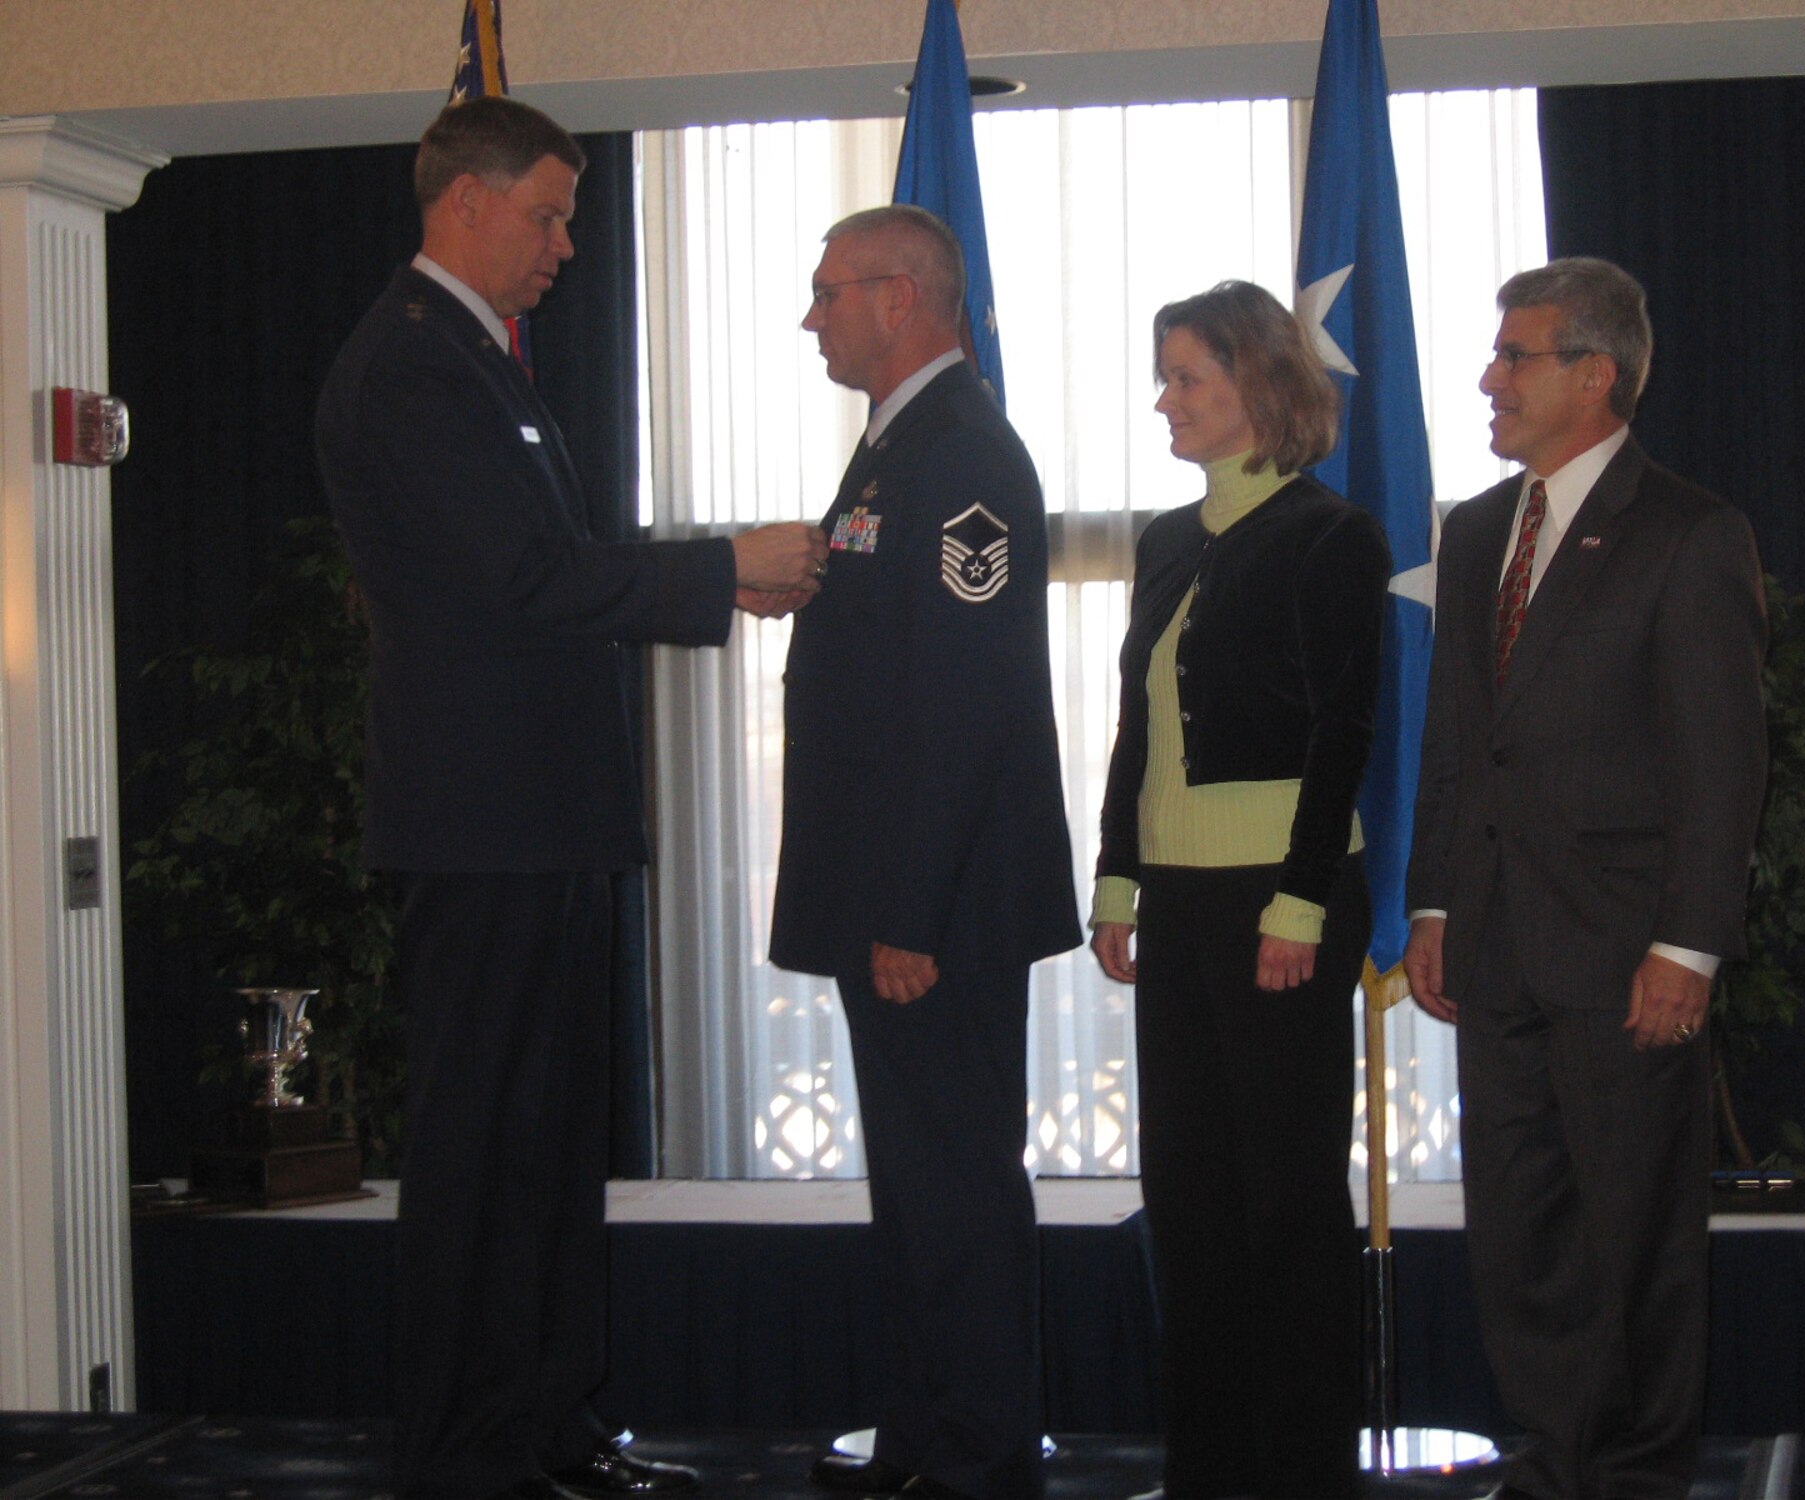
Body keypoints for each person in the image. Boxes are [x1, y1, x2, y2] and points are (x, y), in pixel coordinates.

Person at [315, 96, 827, 1500]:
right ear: (465, 202)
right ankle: (470, 1454)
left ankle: (545, 1432)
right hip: (483, 830)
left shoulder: (475, 363)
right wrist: (726, 563)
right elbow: (527, 583)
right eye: (545, 215)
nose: (563, 247)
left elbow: (549, 569)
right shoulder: (413, 369)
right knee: (486, 1156)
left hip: (533, 820)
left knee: (545, 1153)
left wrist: (716, 570)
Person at [1403, 257, 1767, 1500]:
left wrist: (1689, 946)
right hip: (1494, 945)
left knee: (1635, 1241)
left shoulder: (1688, 532)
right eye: (1496, 354)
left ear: (1594, 374)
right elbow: (1456, 741)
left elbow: (1720, 764)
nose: (1487, 379)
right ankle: (1550, 1463)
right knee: (1519, 1241)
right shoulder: (1470, 533)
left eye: (1515, 357)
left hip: (1625, 956)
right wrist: (1434, 904)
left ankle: (1641, 1475)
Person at [769, 205, 1079, 1500]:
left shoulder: (962, 458)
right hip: (897, 898)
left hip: (931, 911)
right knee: (915, 1189)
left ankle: (981, 1455)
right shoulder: (901, 453)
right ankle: (923, 1437)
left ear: (903, 300)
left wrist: (909, 909)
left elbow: (965, 701)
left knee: (953, 1190)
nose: (813, 317)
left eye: (830, 292)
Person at [1089, 281, 1390, 1500]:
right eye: (1163, 376)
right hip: (1179, 897)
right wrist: (1116, 879)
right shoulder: (1167, 540)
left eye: (1185, 377)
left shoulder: (1332, 535)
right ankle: (1210, 1467)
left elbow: (1343, 732)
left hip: (1283, 898)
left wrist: (1299, 903)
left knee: (1285, 1202)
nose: (1162, 398)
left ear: (1256, 387)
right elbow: (1136, 726)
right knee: (1191, 1198)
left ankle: (1303, 1469)